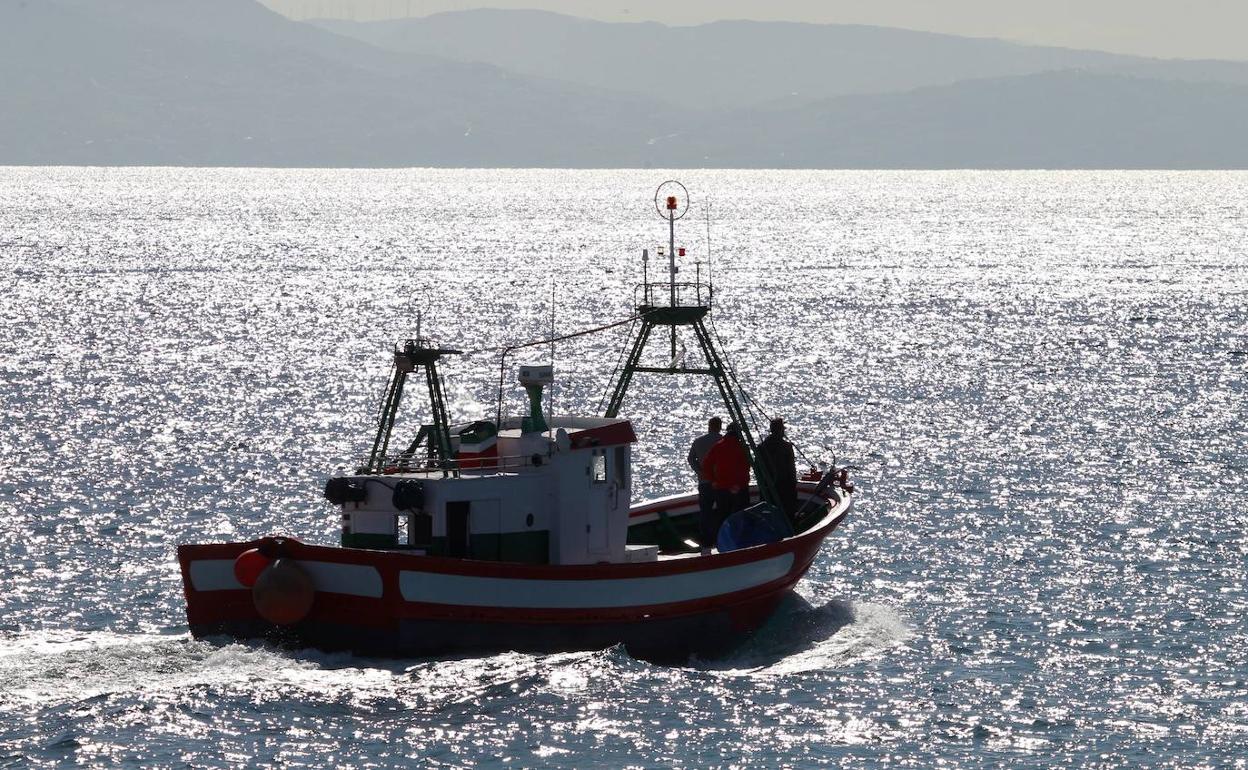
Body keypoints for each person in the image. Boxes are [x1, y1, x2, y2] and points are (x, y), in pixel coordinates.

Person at [700, 422, 751, 550]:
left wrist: (713, 481)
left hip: (721, 488)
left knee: (722, 517)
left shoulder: (718, 446)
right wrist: (739, 485)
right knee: (740, 517)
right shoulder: (742, 447)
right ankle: (739, 544)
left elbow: (706, 465)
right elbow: (746, 467)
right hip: (739, 489)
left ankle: (721, 544)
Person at [687, 417, 723, 551]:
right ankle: (719, 538)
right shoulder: (722, 441)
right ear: (719, 426)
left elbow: (691, 459)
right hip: (720, 482)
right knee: (721, 510)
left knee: (705, 512)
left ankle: (706, 542)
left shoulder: (698, 441)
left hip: (704, 481)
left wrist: (699, 471)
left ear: (709, 426)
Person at [758, 417, 799, 518]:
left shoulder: (761, 447)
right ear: (780, 430)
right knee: (788, 511)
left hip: (767, 485)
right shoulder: (786, 447)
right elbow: (791, 469)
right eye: (783, 430)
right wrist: (794, 484)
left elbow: (757, 468)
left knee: (768, 512)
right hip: (784, 485)